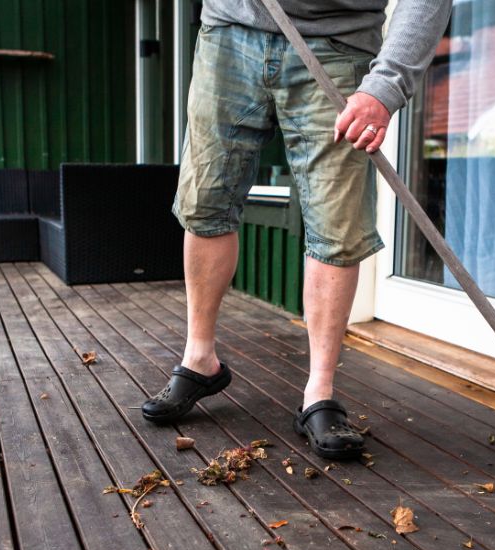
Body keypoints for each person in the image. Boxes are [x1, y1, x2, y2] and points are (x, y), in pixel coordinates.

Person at [142, 0, 452, 459]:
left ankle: (319, 393)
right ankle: (199, 358)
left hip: (338, 42)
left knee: (336, 224)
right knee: (205, 202)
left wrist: (385, 86)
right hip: (231, 30)